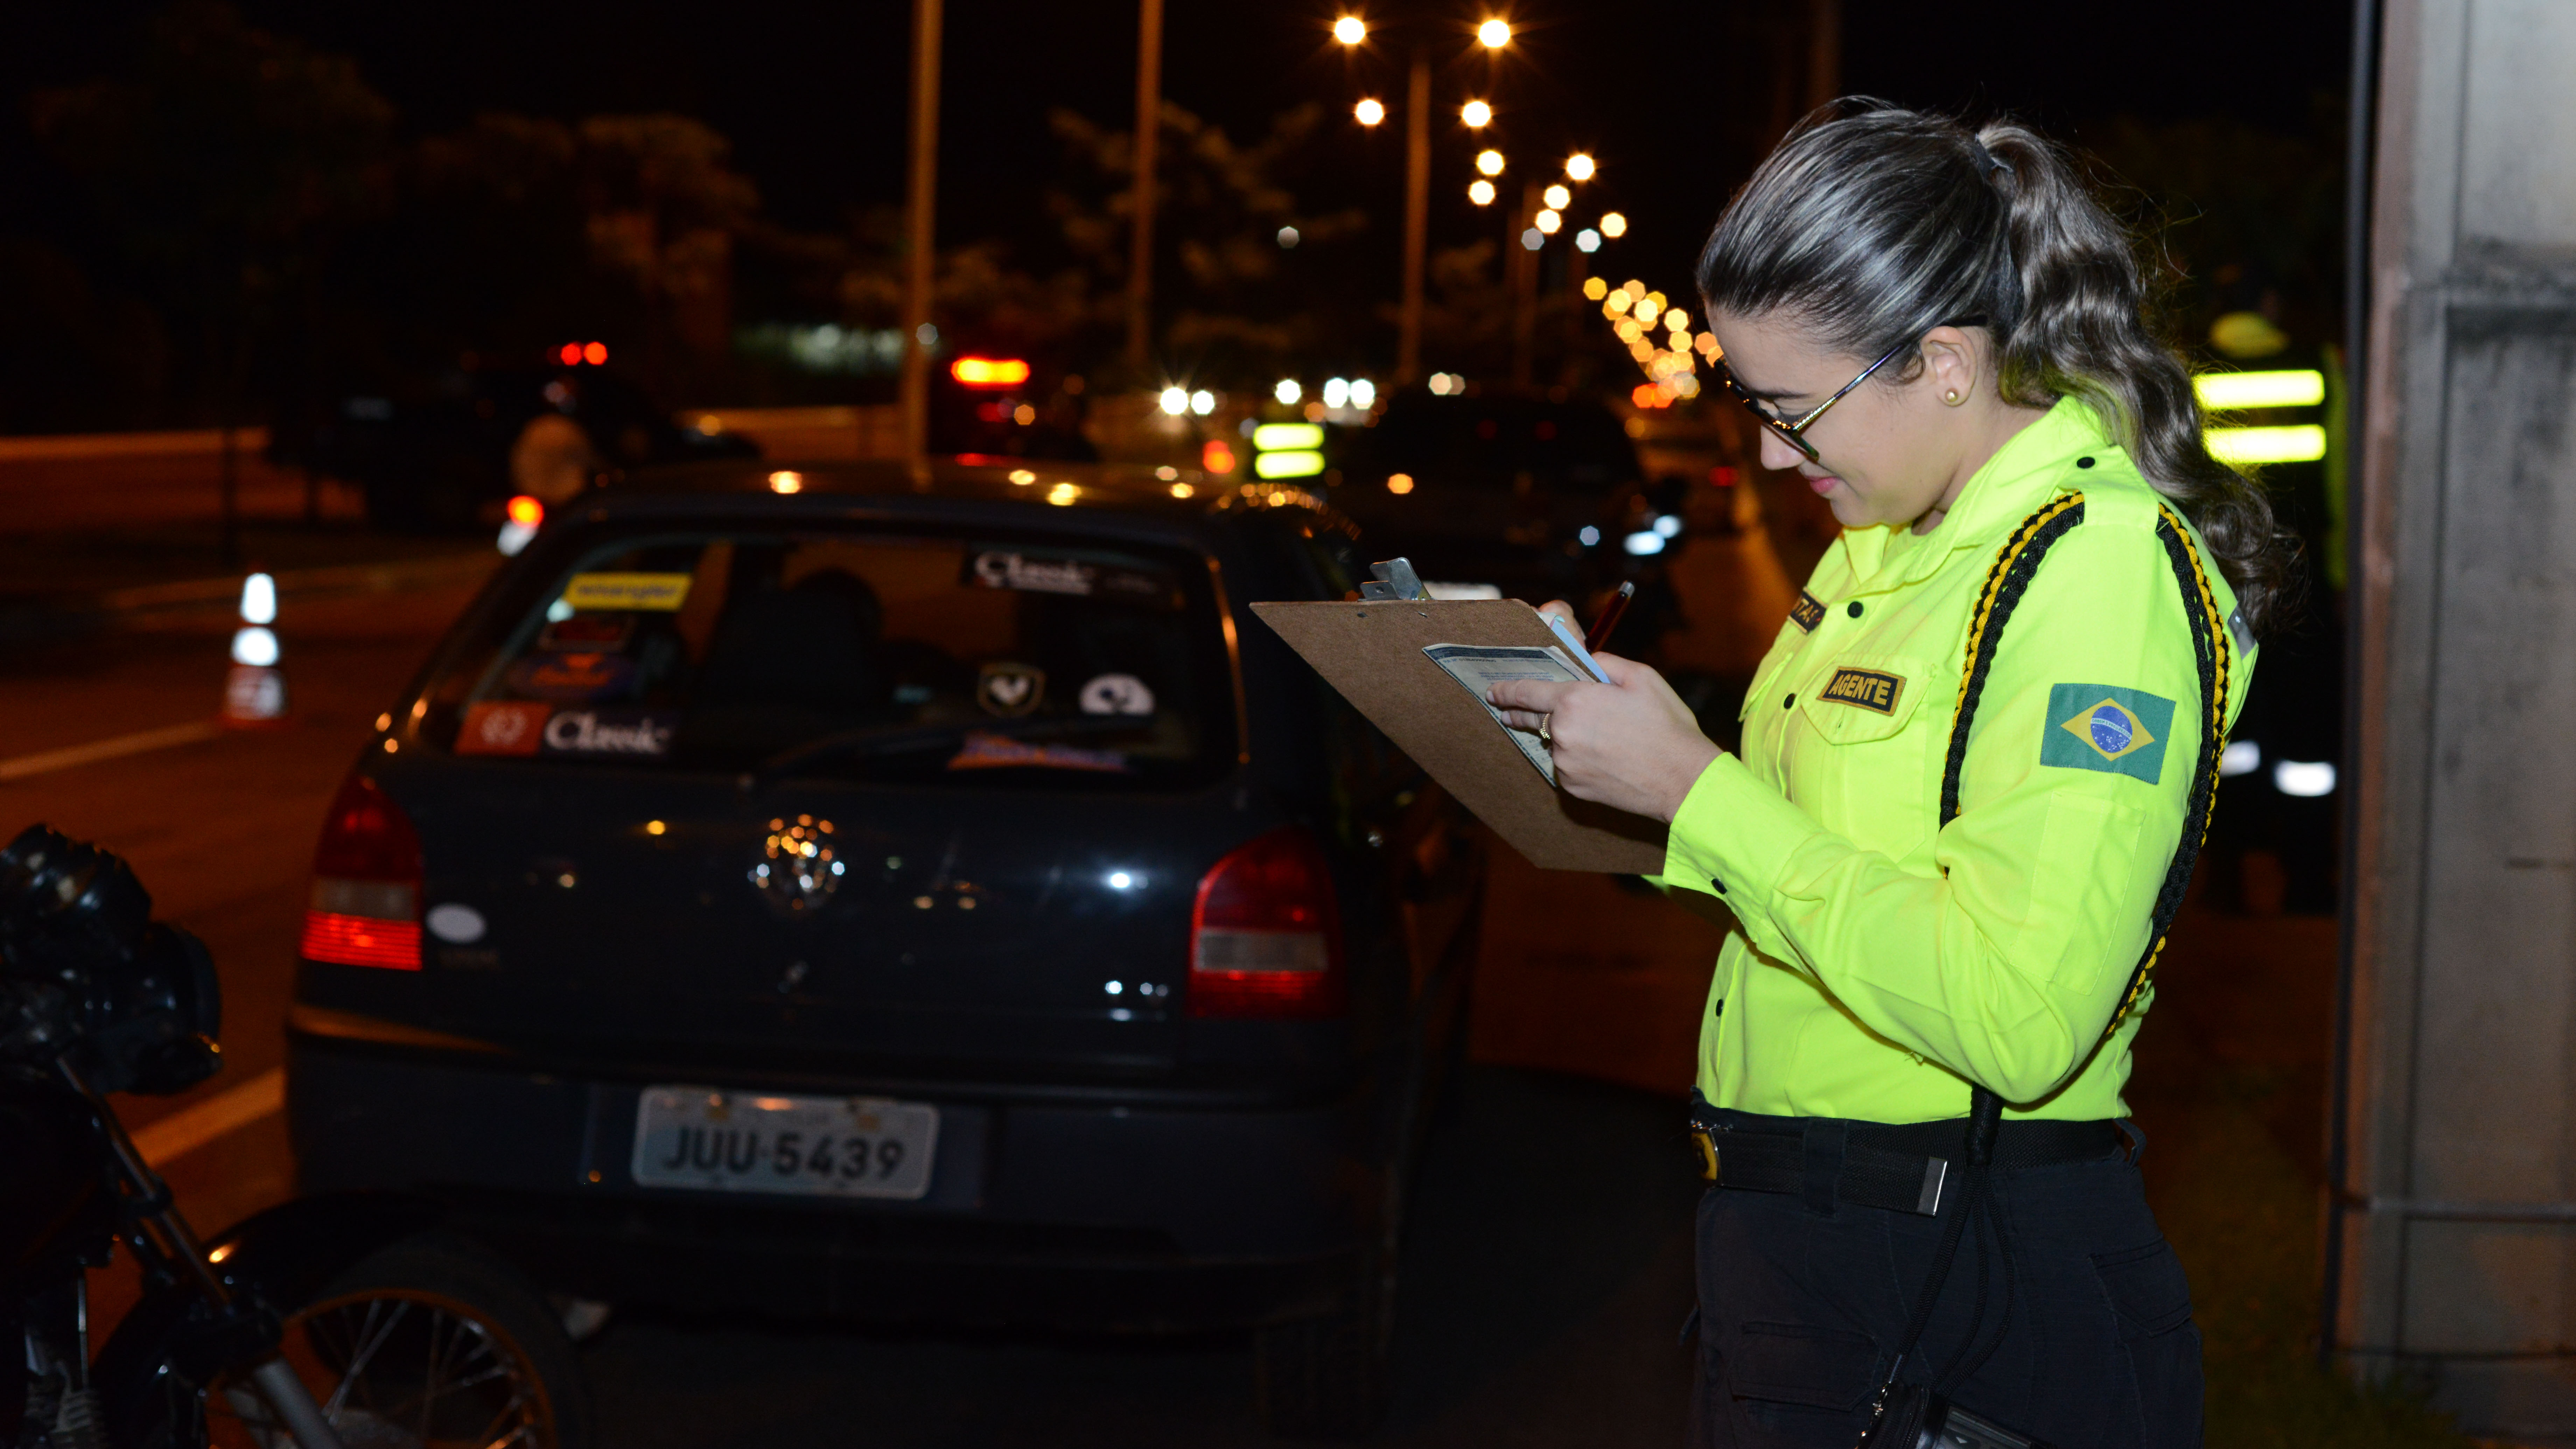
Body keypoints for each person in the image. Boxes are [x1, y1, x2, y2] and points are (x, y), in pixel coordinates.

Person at [1488, 102, 2295, 1448]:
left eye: (1795, 410)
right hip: (1811, 1253)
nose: (1769, 453)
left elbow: (2019, 1013)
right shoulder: (1885, 542)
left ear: (1946, 363)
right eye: (1752, 404)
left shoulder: (2094, 569)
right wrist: (1614, 754)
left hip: (1963, 1270)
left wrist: (1697, 792)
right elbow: (1819, 877)